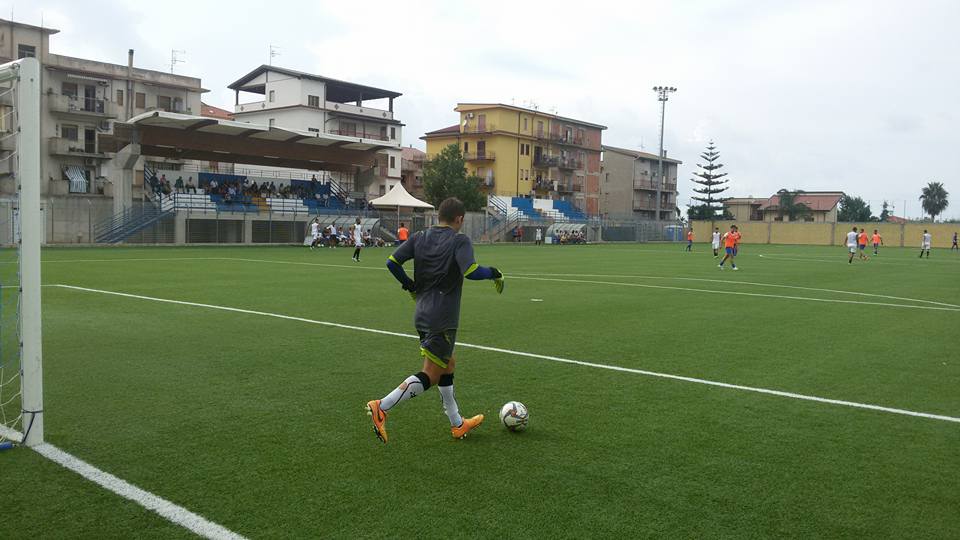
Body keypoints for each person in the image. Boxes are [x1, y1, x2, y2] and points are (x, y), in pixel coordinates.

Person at [366, 198, 504, 444]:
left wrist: (409, 285)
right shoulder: (459, 240)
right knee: (430, 374)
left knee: (448, 363)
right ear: (459, 219)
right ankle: (382, 407)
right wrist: (494, 272)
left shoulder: (420, 237)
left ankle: (457, 424)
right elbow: (471, 271)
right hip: (442, 318)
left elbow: (392, 262)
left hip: (422, 313)